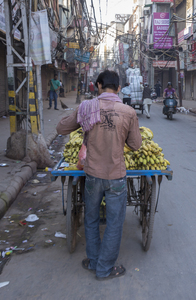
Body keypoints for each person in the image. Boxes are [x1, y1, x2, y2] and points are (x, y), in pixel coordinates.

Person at [56, 70, 142, 280]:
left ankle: (94, 261)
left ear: (98, 86)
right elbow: (136, 144)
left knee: (92, 218)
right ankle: (104, 268)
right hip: (116, 177)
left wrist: (79, 115)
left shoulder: (87, 108)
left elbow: (60, 128)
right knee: (114, 223)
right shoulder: (128, 112)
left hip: (93, 175)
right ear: (119, 88)